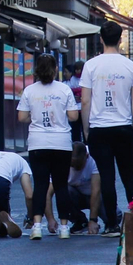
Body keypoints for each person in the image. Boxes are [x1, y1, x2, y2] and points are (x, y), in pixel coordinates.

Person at [80, 21, 133, 233]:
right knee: (129, 175)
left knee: (106, 177)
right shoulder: (130, 66)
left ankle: (111, 224)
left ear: (101, 39)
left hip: (99, 128)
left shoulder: (91, 66)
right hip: (123, 126)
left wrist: (86, 129)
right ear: (120, 39)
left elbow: (85, 101)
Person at [18, 53, 80, 240]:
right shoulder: (64, 89)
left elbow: (22, 117)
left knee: (40, 185)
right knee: (61, 185)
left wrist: (35, 116)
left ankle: (37, 226)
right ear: (55, 69)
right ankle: (64, 227)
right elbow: (73, 116)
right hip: (61, 143)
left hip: (38, 143)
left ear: (36, 70)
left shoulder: (29, 90)